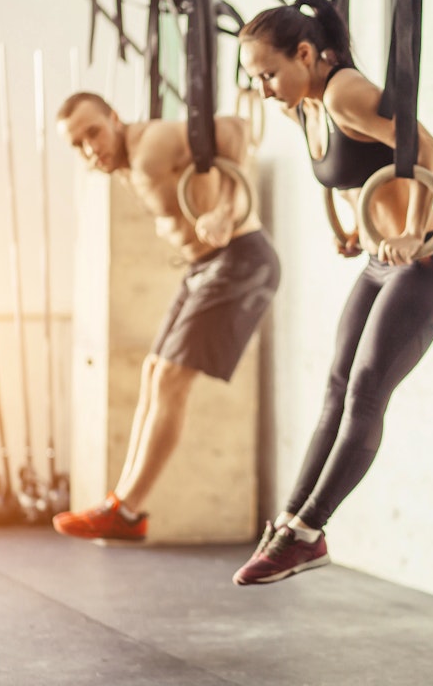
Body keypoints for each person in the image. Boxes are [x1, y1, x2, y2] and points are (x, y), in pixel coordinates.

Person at [231, 0, 433, 584]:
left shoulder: (341, 92)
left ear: (306, 54)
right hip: (377, 262)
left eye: (268, 73)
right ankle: (289, 522)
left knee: (363, 389)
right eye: (254, 78)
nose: (263, 88)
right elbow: (334, 169)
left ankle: (308, 531)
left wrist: (414, 230)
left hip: (425, 262)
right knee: (335, 387)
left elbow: (425, 145)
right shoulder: (304, 106)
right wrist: (344, 226)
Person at [51, 92, 280, 542]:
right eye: (78, 144)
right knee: (155, 372)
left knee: (172, 377)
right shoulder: (125, 165)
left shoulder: (152, 142)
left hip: (240, 257)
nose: (90, 148)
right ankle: (122, 506)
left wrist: (224, 210)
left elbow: (236, 130)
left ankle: (127, 508)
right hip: (206, 265)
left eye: (94, 131)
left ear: (115, 117)